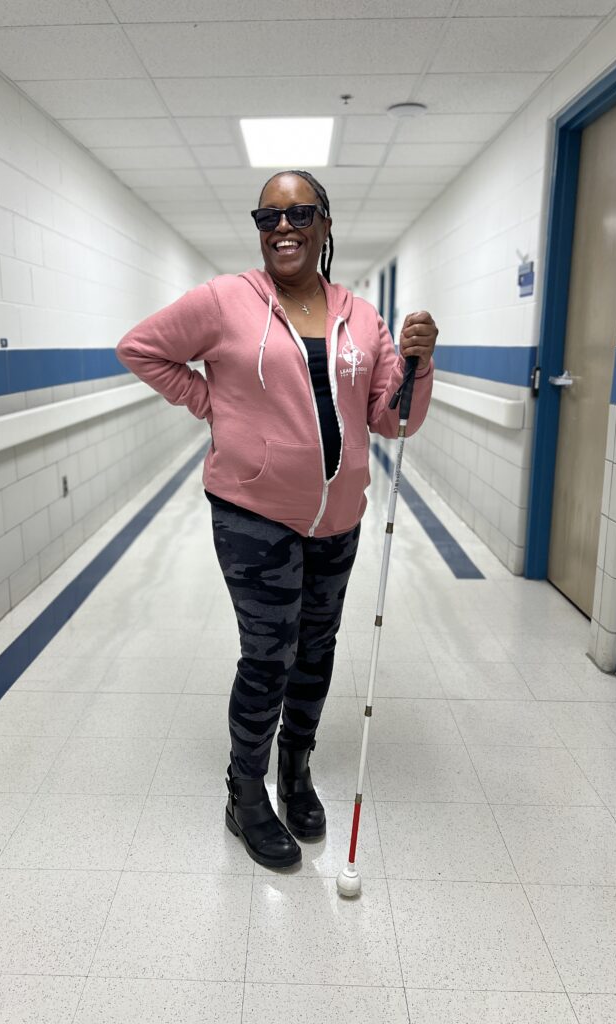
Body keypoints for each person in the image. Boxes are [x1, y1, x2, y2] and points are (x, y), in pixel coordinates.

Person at [117, 169, 437, 869]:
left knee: (316, 652)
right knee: (269, 655)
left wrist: (420, 363)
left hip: (338, 518)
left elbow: (394, 420)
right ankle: (246, 792)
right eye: (268, 218)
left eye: (298, 214)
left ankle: (296, 771)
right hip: (252, 513)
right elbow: (141, 348)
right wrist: (211, 405)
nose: (283, 228)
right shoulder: (225, 300)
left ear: (325, 223)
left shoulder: (362, 318)